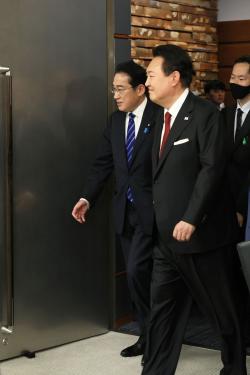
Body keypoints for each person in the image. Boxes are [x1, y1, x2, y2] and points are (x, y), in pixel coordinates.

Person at [141, 44, 246, 374]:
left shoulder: (206, 115)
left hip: (202, 236)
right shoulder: (160, 118)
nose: (147, 83)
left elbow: (212, 169)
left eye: (151, 75)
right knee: (162, 311)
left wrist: (191, 217)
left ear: (174, 77)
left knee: (221, 312)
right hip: (166, 239)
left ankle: (233, 368)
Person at [72, 60, 160, 358]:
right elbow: (102, 164)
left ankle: (157, 336)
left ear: (140, 88)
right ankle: (149, 336)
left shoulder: (160, 116)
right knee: (137, 277)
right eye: (113, 89)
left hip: (155, 211)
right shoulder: (115, 121)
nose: (116, 95)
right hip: (125, 211)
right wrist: (87, 198)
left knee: (138, 271)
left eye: (120, 89)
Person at [223, 55, 250, 239]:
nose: (235, 83)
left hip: (247, 202)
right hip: (224, 204)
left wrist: (240, 207)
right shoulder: (225, 114)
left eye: (241, 79)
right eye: (233, 77)